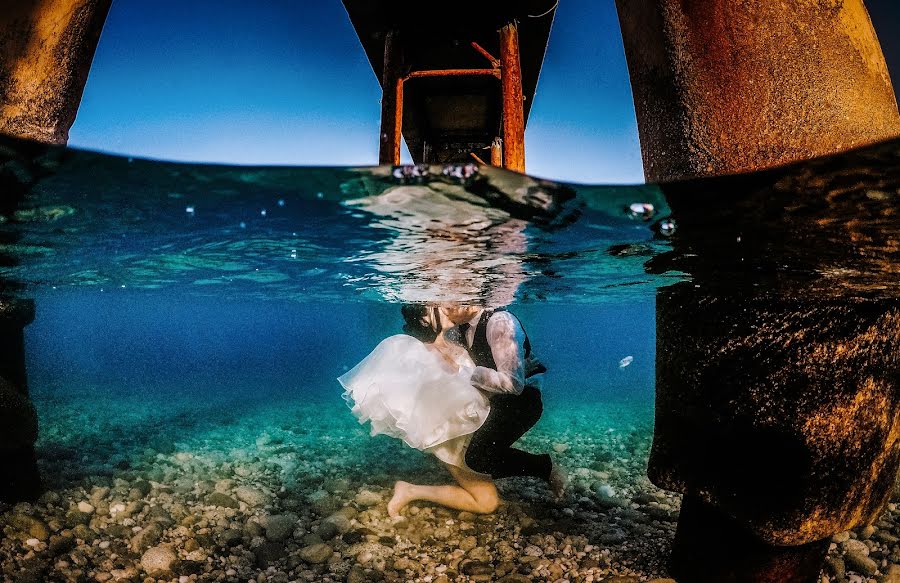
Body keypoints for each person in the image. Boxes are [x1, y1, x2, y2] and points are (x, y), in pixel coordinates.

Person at [338, 303, 565, 518]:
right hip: (454, 434)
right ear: (426, 319)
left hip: (472, 425)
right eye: (434, 303)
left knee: (486, 500)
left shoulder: (467, 331)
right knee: (485, 496)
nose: (444, 302)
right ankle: (409, 490)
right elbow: (409, 398)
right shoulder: (421, 352)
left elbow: (510, 382)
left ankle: (410, 490)